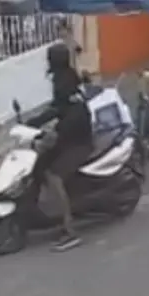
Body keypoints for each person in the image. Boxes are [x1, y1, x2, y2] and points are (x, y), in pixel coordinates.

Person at [27, 42, 93, 251]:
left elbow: (76, 113)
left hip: (79, 142)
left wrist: (58, 131)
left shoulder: (67, 82)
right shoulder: (62, 78)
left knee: (54, 176)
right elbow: (57, 108)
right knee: (38, 165)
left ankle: (70, 231)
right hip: (66, 138)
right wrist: (33, 122)